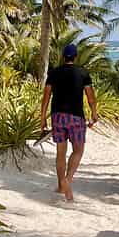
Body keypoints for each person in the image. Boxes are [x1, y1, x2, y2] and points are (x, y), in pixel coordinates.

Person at [40, 43, 98, 202]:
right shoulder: (83, 73)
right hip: (76, 117)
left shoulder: (54, 73)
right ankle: (68, 179)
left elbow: (46, 98)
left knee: (60, 153)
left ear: (63, 57)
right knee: (78, 150)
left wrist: (42, 118)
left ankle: (60, 186)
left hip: (58, 116)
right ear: (76, 56)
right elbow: (90, 97)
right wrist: (94, 114)